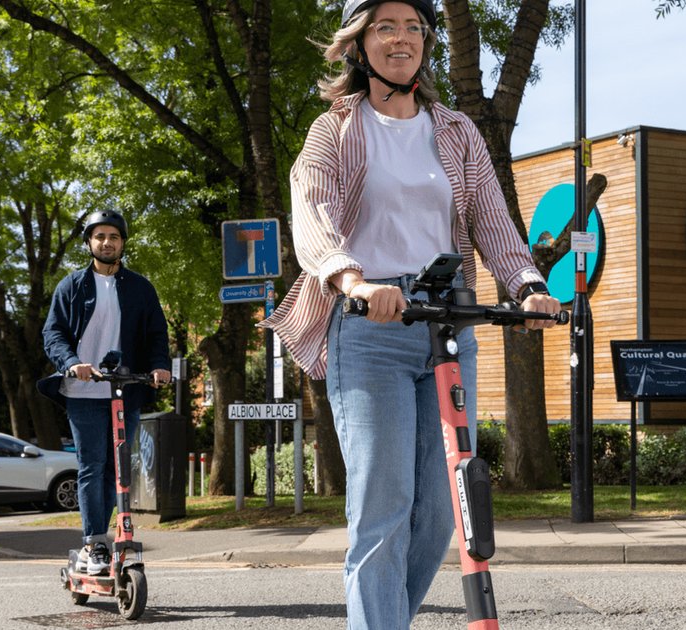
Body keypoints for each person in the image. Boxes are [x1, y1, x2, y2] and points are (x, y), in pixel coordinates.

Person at [260, 1, 562, 627]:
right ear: (359, 44)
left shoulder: (456, 130)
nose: (402, 39)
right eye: (385, 27)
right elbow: (312, 210)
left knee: (443, 509)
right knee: (384, 505)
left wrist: (528, 284)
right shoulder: (335, 130)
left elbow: (492, 218)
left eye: (413, 28)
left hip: (447, 324)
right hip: (371, 325)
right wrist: (354, 280)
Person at [39, 209, 171, 576]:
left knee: (118, 470)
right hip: (83, 390)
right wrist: (71, 362)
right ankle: (93, 543)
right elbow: (53, 333)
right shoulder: (71, 286)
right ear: (89, 243)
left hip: (124, 392)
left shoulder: (140, 288)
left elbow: (156, 334)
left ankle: (102, 539)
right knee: (92, 466)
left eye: (113, 236)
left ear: (123, 243)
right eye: (99, 237)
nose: (107, 242)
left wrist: (160, 366)